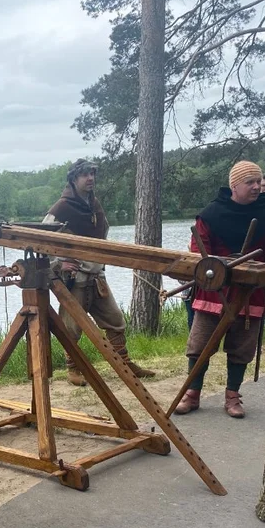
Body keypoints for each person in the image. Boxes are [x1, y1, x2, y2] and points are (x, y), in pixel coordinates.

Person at [175, 161, 265, 419]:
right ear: (234, 186)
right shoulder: (211, 214)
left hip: (251, 293)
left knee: (242, 346)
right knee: (199, 344)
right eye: (250, 182)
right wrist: (211, 268)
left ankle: (232, 397)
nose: (256, 186)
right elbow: (198, 247)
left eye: (258, 182)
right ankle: (192, 394)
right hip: (213, 292)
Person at [43, 159, 155, 384]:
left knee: (115, 320)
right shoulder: (61, 208)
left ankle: (123, 363)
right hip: (74, 280)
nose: (91, 178)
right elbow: (41, 242)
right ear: (74, 179)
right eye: (85, 174)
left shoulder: (94, 205)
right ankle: (73, 368)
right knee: (72, 328)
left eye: (93, 173)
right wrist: (59, 265)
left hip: (97, 278)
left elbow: (102, 235)